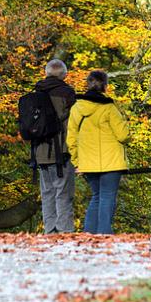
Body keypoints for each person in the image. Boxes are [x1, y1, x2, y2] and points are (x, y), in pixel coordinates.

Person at [66, 70, 129, 234]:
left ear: (88, 84)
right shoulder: (110, 108)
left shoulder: (77, 108)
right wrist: (125, 122)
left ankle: (89, 235)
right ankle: (105, 235)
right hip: (112, 161)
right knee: (107, 197)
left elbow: (71, 138)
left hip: (87, 162)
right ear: (105, 87)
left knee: (96, 197)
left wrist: (76, 162)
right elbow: (123, 136)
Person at [34, 59, 76, 234]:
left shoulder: (35, 94)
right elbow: (73, 124)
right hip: (62, 151)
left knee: (47, 193)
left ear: (46, 73)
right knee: (63, 193)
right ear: (64, 75)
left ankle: (50, 232)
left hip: (40, 152)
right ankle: (65, 231)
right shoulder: (67, 94)